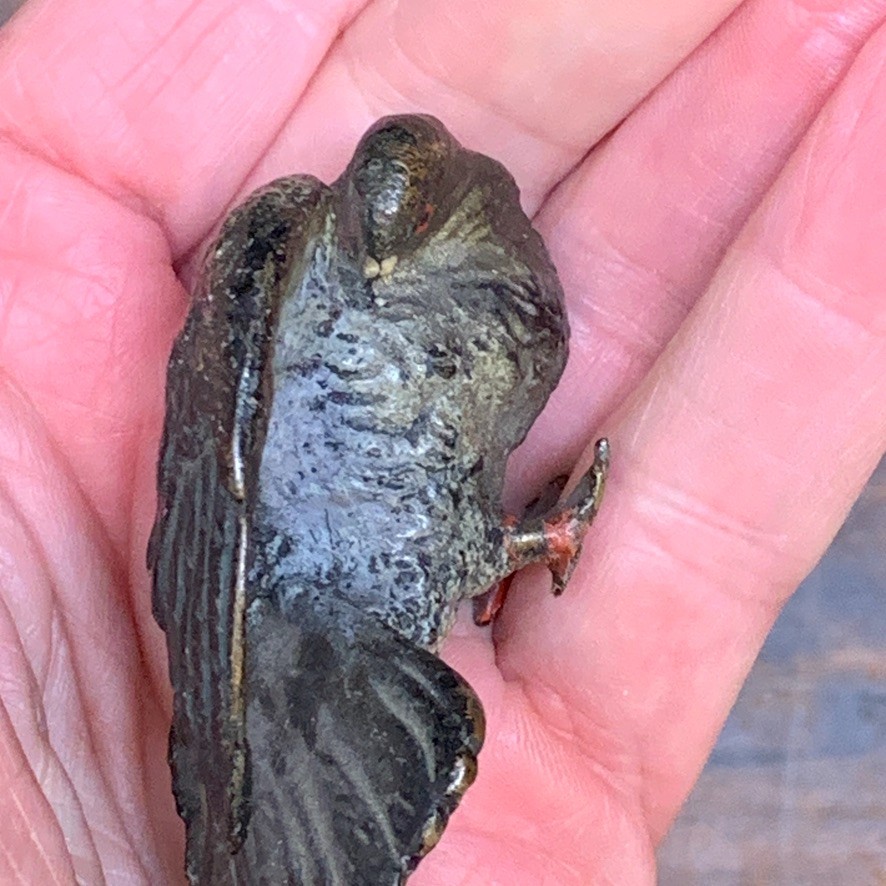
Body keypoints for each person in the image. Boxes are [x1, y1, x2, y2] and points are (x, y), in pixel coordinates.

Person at [0, 0, 883, 883]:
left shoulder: (391, 270)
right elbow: (384, 531)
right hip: (315, 637)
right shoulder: (313, 267)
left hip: (329, 620)